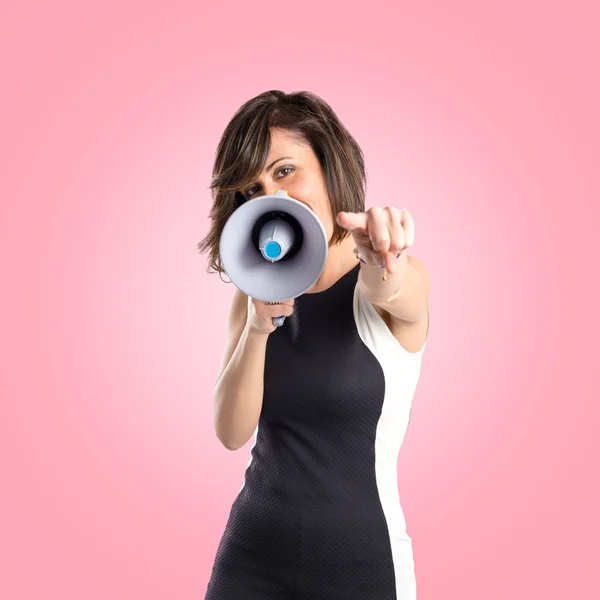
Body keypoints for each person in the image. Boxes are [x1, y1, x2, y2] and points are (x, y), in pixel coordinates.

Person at [197, 90, 431, 600]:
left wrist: (383, 261)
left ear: (328, 165)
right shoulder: (252, 293)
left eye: (284, 172)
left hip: (362, 568)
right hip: (250, 562)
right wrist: (258, 328)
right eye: (252, 189)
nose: (271, 198)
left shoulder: (393, 278)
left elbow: (395, 291)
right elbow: (231, 433)